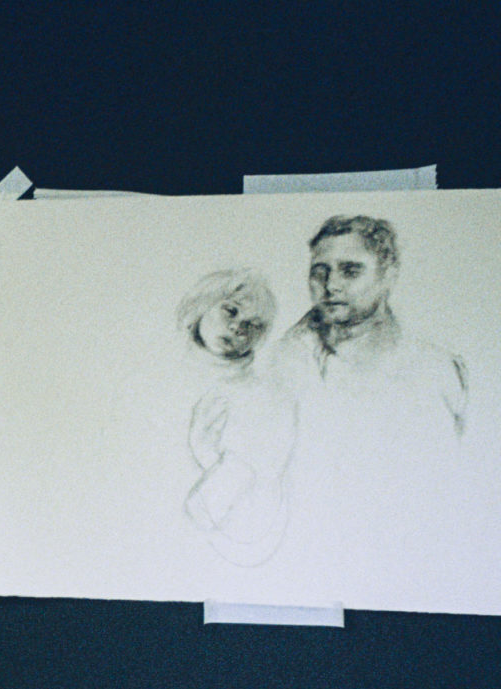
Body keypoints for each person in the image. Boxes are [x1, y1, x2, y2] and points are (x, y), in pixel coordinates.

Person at [271, 215, 470, 436]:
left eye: (350, 272)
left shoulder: (435, 368)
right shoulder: (279, 360)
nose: (331, 285)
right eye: (319, 273)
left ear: (388, 276)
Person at [176, 269, 296, 565]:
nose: (237, 328)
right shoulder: (156, 375)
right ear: (201, 304)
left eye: (253, 325)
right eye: (230, 311)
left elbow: (254, 506)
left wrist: (207, 458)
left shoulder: (264, 396)